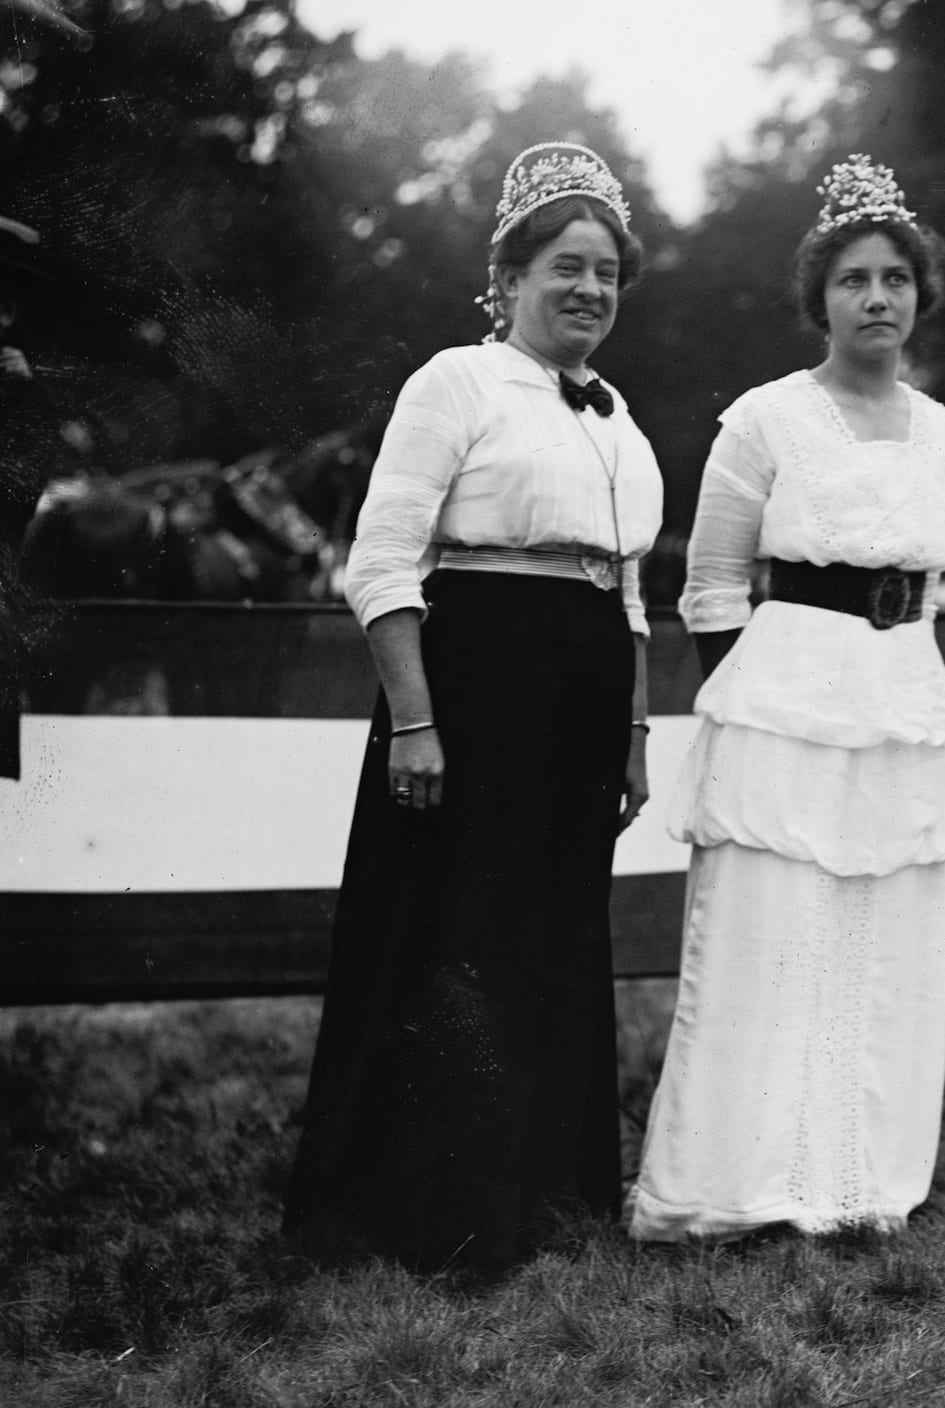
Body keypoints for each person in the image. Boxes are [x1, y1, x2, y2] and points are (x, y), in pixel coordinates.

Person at [285, 142, 665, 1273]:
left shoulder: (613, 412)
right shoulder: (452, 382)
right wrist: (414, 719)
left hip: (584, 691)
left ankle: (544, 1194)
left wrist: (636, 732)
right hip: (477, 680)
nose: (589, 289)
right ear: (508, 279)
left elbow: (629, 589)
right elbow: (384, 562)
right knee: (461, 941)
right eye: (565, 266)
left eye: (606, 270)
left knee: (552, 938)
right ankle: (435, 1212)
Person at [629, 155, 945, 1240]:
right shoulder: (765, 420)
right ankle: (743, 1185)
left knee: (880, 934)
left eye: (895, 279)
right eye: (853, 279)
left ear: (919, 295)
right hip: (785, 690)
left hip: (902, 688)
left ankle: (858, 1186)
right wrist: (755, 700)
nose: (877, 299)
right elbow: (711, 583)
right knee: (774, 934)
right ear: (818, 297)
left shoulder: (943, 430)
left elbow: (925, 576)